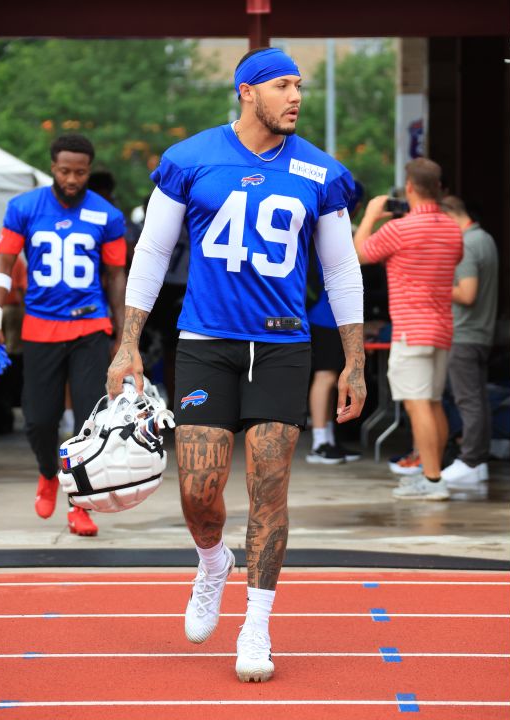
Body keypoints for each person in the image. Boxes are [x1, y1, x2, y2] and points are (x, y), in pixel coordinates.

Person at [106, 47, 366, 683]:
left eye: (299, 86)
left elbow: (340, 268)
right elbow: (152, 251)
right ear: (247, 91)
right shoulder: (191, 159)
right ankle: (211, 560)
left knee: (270, 488)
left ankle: (257, 624)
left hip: (281, 346)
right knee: (199, 490)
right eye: (283, 85)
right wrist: (128, 343)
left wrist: (354, 361)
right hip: (205, 343)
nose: (295, 97)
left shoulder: (321, 172)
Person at [0, 133, 128, 537]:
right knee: (39, 421)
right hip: (40, 328)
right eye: (65, 170)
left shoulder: (107, 215)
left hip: (89, 327)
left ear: (88, 170)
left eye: (80, 172)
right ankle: (48, 473)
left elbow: (116, 276)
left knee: (88, 425)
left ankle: (79, 503)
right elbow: (3, 264)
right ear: (53, 167)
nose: (72, 179)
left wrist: (124, 334)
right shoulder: (24, 207)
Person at [354, 158, 463, 501]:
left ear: (410, 188)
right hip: (443, 327)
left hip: (409, 330)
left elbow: (359, 254)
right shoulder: (451, 228)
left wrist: (371, 214)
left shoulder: (398, 230)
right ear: (439, 188)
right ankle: (436, 475)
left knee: (417, 406)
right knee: (433, 404)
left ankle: (431, 481)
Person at [439, 195, 499, 488]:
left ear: (450, 216)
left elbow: (467, 294)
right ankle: (478, 462)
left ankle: (471, 460)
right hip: (481, 333)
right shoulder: (484, 238)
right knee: (477, 399)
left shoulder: (466, 244)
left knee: (468, 399)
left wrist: (435, 284)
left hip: (464, 333)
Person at [306, 181, 365, 464]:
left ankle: (329, 438)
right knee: (325, 377)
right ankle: (319, 442)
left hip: (331, 316)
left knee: (334, 379)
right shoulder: (327, 228)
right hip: (324, 316)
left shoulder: (324, 226)